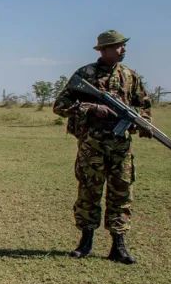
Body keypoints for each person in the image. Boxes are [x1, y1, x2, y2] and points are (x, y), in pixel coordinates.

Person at [53, 30, 151, 264]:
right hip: (92, 146)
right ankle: (85, 242)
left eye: (123, 46)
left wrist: (142, 121)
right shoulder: (85, 75)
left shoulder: (130, 76)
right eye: (118, 46)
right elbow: (60, 105)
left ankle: (119, 246)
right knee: (89, 191)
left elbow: (144, 105)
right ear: (104, 50)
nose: (123, 49)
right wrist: (91, 108)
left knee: (121, 193)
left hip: (121, 147)